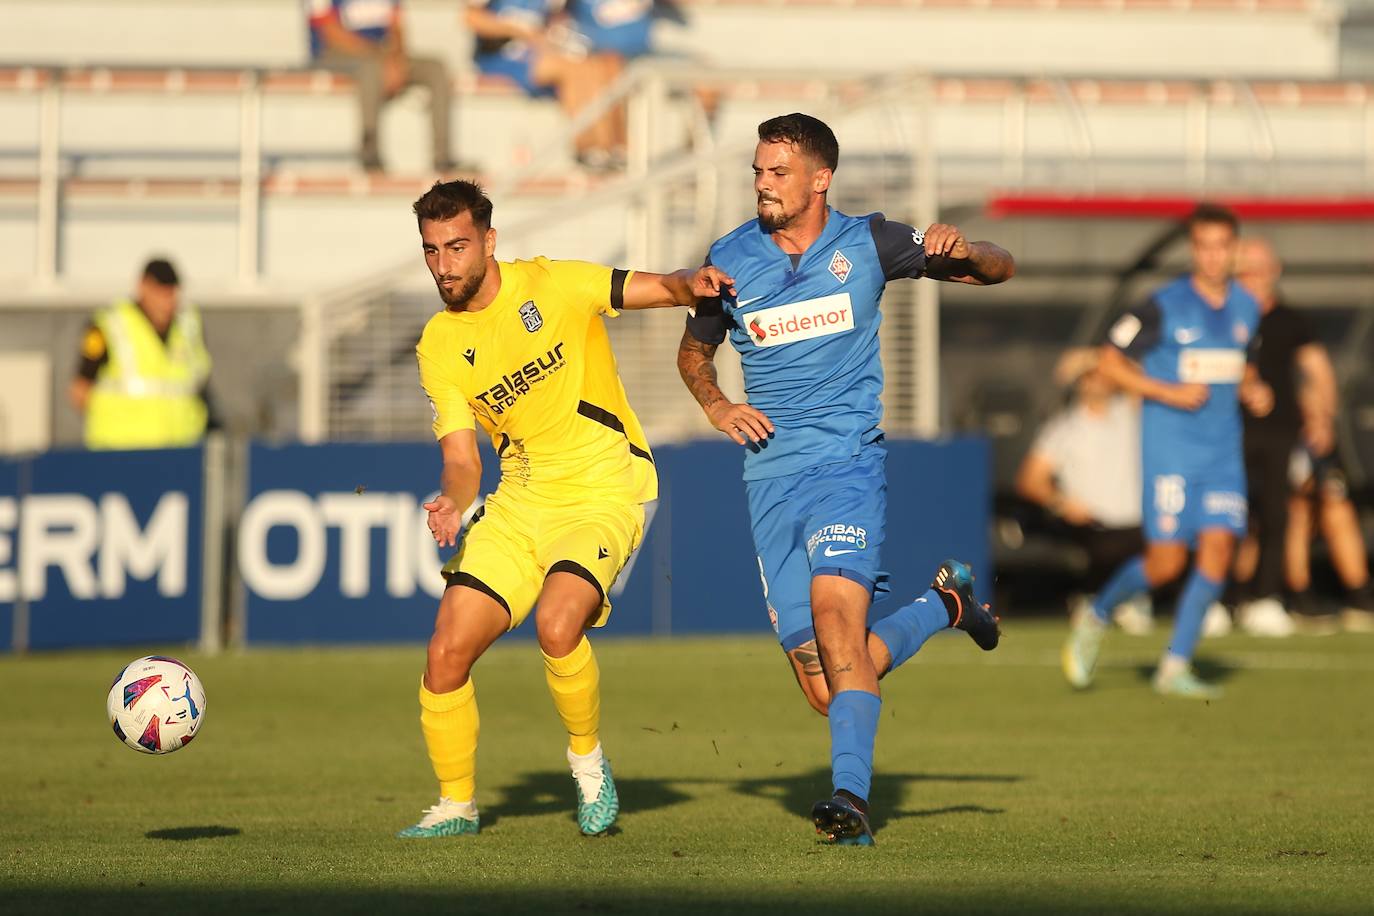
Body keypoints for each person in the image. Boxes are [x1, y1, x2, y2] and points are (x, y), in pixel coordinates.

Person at [676, 113, 1014, 845]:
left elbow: (999, 267)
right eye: (758, 172)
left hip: (845, 465)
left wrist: (969, 247)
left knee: (838, 624)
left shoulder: (870, 242)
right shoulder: (730, 259)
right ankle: (943, 606)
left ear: (819, 179)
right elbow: (693, 354)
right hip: (769, 479)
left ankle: (851, 803)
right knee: (826, 687)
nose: (763, 184)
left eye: (777, 172)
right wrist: (717, 403)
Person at [400, 179, 729, 839]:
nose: (444, 266)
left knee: (556, 625)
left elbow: (660, 286)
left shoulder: (552, 284)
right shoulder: (438, 343)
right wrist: (453, 503)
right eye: (432, 250)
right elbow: (463, 461)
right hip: (520, 502)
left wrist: (692, 281)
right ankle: (457, 806)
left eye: (457, 247)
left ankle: (588, 766)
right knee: (444, 654)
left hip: (606, 489)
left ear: (490, 242)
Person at [1062, 204, 1274, 700]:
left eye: (1223, 246)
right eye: (1204, 246)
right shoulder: (1162, 305)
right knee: (1166, 564)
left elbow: (1243, 368)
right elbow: (1109, 361)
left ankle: (1174, 665)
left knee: (1219, 553)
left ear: (1235, 250)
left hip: (1222, 456)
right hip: (1172, 454)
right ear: (1194, 250)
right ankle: (1096, 616)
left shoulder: (1246, 306)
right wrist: (1165, 390)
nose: (1214, 256)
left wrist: (1255, 389)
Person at [1227, 237, 1326, 636]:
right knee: (1228, 516)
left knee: (1276, 513)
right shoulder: (1221, 314)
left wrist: (1321, 417)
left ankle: (1267, 599)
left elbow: (1317, 371)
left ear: (1275, 271)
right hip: (1228, 430)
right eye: (1245, 269)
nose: (1253, 277)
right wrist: (1244, 384)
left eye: (1259, 268)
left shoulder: (1289, 319)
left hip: (1280, 431)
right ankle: (1222, 599)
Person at [1015, 348, 1153, 635]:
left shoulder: (1131, 415)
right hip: (1093, 525)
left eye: (1104, 376)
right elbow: (1030, 480)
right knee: (1104, 548)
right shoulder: (1063, 428)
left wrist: (1098, 359)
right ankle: (1103, 602)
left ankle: (1122, 601)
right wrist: (1062, 504)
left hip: (1138, 523)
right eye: (1090, 377)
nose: (1098, 382)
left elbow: (1148, 382)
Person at [68, 258, 215, 450]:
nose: (167, 302)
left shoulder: (188, 326)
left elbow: (198, 384)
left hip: (180, 453)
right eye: (159, 292)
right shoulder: (111, 325)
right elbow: (80, 390)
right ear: (142, 287)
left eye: (171, 293)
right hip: (122, 454)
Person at [464, 0, 627, 171]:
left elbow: (560, 20)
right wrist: (520, 31)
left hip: (540, 51)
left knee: (596, 66)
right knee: (570, 68)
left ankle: (608, 146)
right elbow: (470, 17)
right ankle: (587, 148)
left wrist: (553, 34)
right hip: (502, 56)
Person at [307, 0, 455, 173]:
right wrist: (382, 60)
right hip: (336, 55)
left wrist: (397, 59)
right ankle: (370, 155)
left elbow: (397, 27)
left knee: (435, 68)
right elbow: (331, 33)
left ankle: (442, 158)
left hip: (381, 54)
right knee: (371, 69)